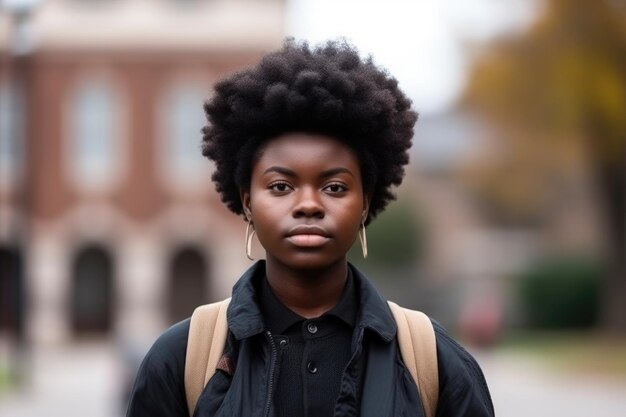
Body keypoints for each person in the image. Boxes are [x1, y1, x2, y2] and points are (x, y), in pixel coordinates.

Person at [126, 39, 495, 417]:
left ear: (365, 201)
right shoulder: (182, 360)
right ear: (248, 201)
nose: (308, 204)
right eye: (281, 186)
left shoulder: (431, 360)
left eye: (334, 187)